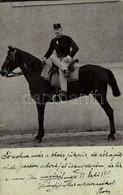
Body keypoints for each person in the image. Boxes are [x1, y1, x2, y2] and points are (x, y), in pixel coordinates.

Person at [42, 23, 79, 98]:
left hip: (66, 60)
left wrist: (68, 57)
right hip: (59, 60)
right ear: (53, 31)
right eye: (55, 30)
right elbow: (50, 51)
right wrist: (45, 57)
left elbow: (75, 48)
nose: (57, 31)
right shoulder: (53, 41)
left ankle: (64, 91)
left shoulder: (67, 38)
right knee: (52, 56)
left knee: (60, 70)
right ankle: (65, 70)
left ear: (61, 30)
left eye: (58, 29)